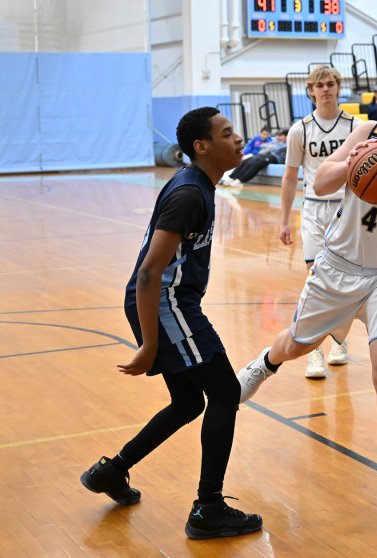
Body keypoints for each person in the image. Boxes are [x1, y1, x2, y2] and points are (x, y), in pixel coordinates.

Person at [236, 73, 377, 510]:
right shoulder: (369, 132)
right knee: (298, 345)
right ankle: (264, 364)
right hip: (337, 265)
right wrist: (349, 163)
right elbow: (319, 184)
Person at [79, 107, 262, 539]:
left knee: (188, 403)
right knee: (224, 391)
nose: (238, 139)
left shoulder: (200, 185)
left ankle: (112, 471)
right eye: (227, 133)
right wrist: (148, 345)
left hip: (163, 302)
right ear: (202, 147)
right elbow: (149, 273)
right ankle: (208, 508)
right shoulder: (190, 194)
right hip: (166, 303)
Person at [280, 65, 360, 378]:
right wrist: (284, 220)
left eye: (330, 84)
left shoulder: (356, 126)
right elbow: (289, 177)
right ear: (311, 91)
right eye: (319, 85)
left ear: (338, 88)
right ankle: (313, 352)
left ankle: (339, 340)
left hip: (348, 209)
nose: (325, 89)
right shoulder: (300, 129)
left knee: (347, 283)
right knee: (314, 281)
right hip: (314, 209)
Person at [222, 129, 289, 186]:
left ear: (286, 136)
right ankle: (231, 178)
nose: (278, 137)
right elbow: (263, 146)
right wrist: (270, 147)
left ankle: (239, 180)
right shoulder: (275, 141)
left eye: (280, 135)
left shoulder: (288, 143)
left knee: (257, 163)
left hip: (276, 158)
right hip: (266, 155)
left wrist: (270, 147)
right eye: (277, 135)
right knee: (247, 160)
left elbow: (276, 149)